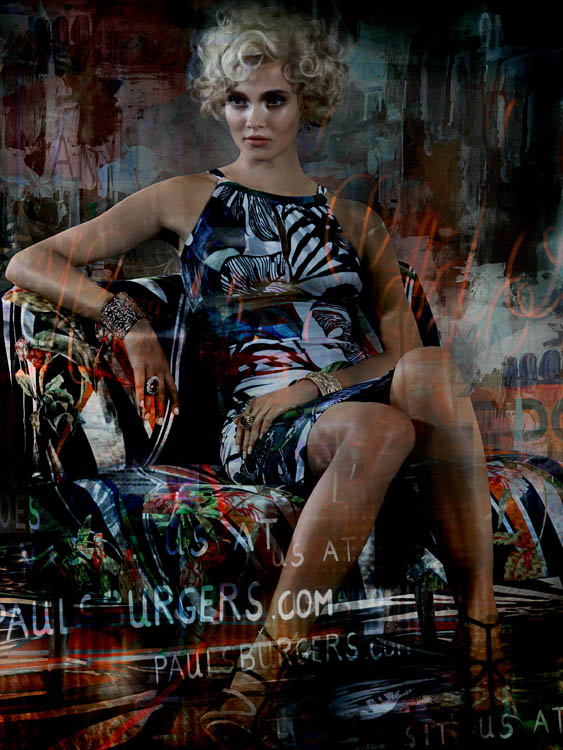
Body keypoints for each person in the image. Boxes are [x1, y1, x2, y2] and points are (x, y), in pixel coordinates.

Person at [5, 3, 506, 741]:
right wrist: (127, 320)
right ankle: (255, 685)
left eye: (274, 100)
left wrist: (315, 384)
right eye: (238, 101)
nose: (253, 120)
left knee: (427, 369)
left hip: (346, 396)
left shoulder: (355, 221)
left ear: (308, 104)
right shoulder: (186, 197)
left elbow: (402, 354)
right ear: (221, 102)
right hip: (264, 422)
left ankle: (480, 634)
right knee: (379, 428)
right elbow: (29, 262)